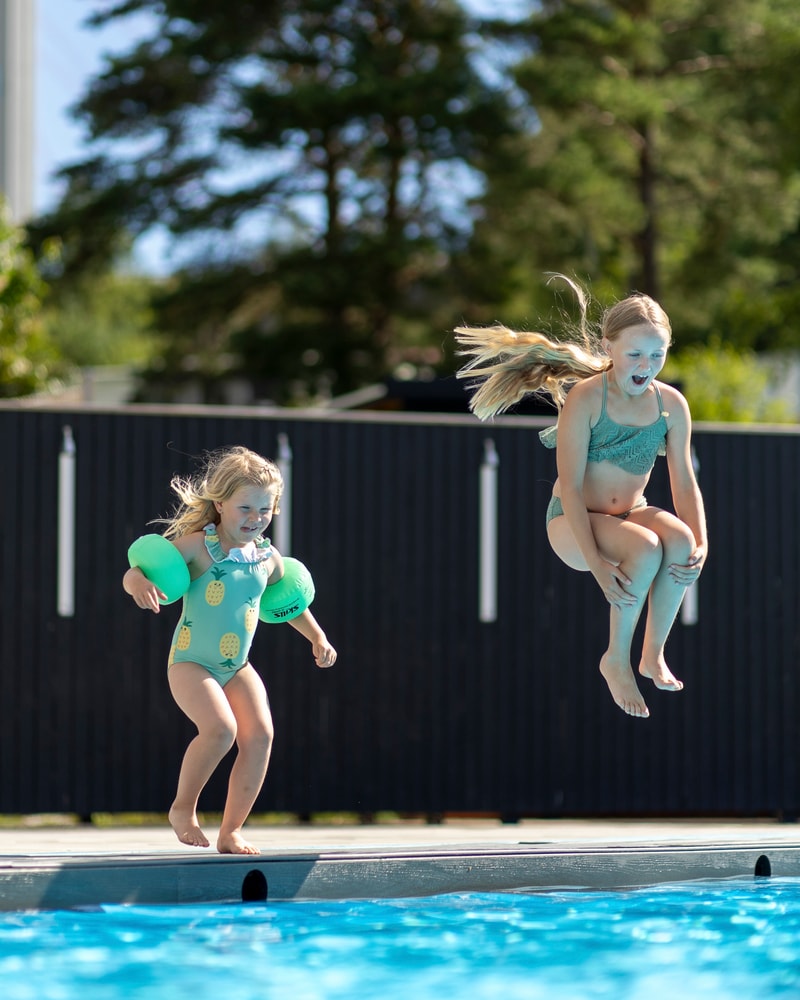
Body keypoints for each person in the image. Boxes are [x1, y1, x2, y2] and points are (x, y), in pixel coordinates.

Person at [455, 277, 707, 719]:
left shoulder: (670, 405)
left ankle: (652, 654)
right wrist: (597, 565)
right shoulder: (588, 400)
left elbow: (684, 481)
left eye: (657, 354)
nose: (646, 365)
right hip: (573, 522)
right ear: (609, 347)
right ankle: (616, 659)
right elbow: (570, 487)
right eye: (635, 354)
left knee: (683, 543)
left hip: (631, 512)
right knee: (646, 548)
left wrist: (703, 541)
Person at [123, 446, 337, 853]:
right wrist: (138, 584)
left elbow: (289, 604)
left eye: (265, 509)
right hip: (191, 663)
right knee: (221, 730)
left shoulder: (268, 559)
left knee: (260, 736)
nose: (255, 518)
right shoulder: (197, 547)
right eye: (245, 508)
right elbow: (134, 572)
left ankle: (231, 831)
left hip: (237, 666)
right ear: (220, 504)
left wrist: (317, 637)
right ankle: (182, 809)